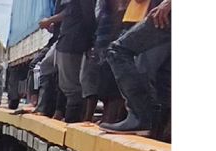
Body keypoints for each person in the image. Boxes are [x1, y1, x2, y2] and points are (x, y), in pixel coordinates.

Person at [100, 0, 171, 136]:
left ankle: (140, 117)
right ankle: (157, 132)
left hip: (166, 13)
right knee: (163, 78)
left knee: (117, 51)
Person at [40, 0, 97, 122]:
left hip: (73, 40)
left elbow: (75, 11)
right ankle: (47, 109)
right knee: (46, 66)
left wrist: (50, 20)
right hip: (63, 39)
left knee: (72, 87)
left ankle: (72, 119)